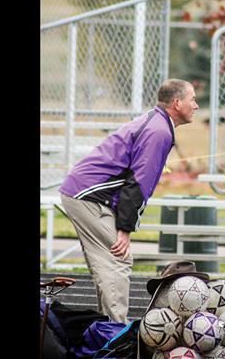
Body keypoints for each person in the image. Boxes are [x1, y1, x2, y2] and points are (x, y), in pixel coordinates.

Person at [59, 79, 199, 323]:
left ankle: (106, 329)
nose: (196, 105)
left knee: (107, 262)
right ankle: (116, 332)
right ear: (177, 103)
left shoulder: (157, 123)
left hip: (82, 191)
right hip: (87, 195)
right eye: (193, 99)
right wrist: (124, 228)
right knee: (118, 258)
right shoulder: (159, 131)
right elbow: (138, 183)